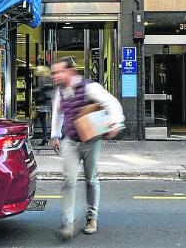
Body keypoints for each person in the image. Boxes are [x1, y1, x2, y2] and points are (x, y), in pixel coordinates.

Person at [50, 56, 125, 240]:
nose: (55, 76)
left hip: (90, 141)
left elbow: (111, 102)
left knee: (91, 180)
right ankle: (67, 223)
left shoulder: (89, 87)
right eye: (53, 73)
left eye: (59, 72)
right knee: (69, 180)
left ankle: (92, 218)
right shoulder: (59, 92)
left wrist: (116, 122)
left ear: (70, 71)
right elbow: (58, 114)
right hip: (70, 141)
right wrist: (55, 135)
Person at [33, 65, 52, 146]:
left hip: (41, 104)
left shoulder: (42, 79)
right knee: (42, 121)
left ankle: (44, 137)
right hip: (45, 104)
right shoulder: (48, 79)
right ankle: (45, 138)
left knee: (35, 120)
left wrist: (34, 91)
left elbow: (41, 90)